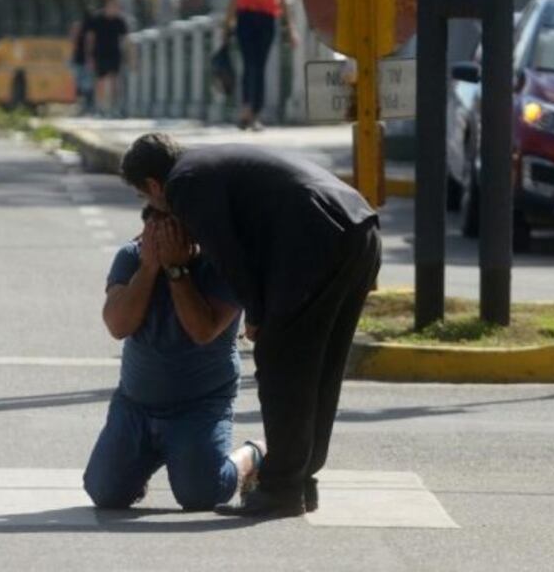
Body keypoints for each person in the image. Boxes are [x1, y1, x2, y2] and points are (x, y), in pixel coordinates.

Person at [119, 133, 382, 518]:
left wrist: (257, 316)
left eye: (146, 198)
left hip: (317, 239)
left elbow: (228, 255)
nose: (154, 207)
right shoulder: (207, 165)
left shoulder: (184, 185)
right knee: (319, 367)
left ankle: (279, 489)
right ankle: (299, 478)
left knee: (281, 364)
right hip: (358, 228)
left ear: (155, 185)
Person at [83, 207, 265, 511]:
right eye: (152, 228)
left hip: (199, 407)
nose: (157, 237)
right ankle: (142, 464)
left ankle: (255, 453)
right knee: (104, 494)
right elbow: (118, 325)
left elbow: (202, 330)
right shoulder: (132, 257)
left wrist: (176, 272)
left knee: (201, 496)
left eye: (169, 230)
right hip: (136, 405)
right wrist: (149, 268)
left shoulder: (223, 265)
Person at [224, 0, 298, 131]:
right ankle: (246, 109)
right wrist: (227, 21)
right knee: (249, 65)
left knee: (260, 66)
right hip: (245, 17)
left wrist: (290, 28)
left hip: (267, 19)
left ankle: (255, 114)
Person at [86, 0, 128, 116]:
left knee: (115, 81)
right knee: (100, 81)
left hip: (114, 53)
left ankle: (115, 107)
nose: (114, 9)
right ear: (106, 6)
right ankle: (100, 107)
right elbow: (90, 38)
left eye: (116, 7)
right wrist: (89, 56)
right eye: (112, 6)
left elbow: (125, 40)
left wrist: (130, 57)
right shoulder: (96, 19)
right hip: (99, 53)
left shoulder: (120, 21)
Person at [69, 9, 96, 115]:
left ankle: (83, 106)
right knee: (86, 84)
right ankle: (86, 106)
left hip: (79, 59)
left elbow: (73, 42)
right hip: (83, 60)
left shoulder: (79, 28)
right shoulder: (90, 29)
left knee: (81, 84)